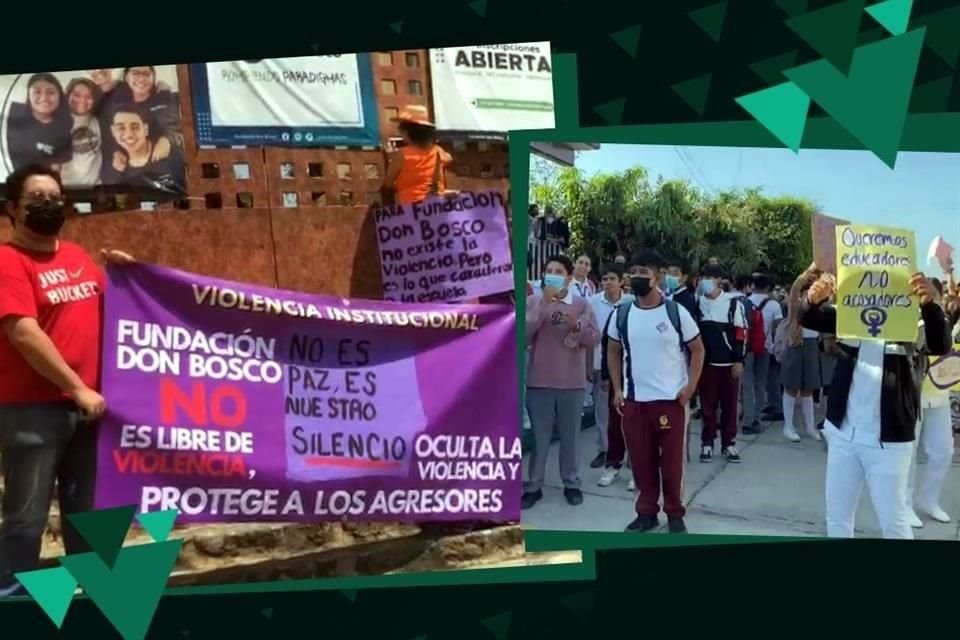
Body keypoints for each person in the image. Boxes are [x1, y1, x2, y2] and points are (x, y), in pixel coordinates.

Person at [0, 165, 136, 597]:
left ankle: (94, 599)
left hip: (89, 413)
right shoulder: (7, 262)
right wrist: (75, 385)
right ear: (12, 210)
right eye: (37, 199)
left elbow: (109, 313)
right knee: (26, 518)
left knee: (91, 516)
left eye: (55, 197)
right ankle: (10, 599)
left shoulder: (76, 256)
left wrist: (127, 278)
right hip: (32, 413)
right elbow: (23, 332)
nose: (49, 206)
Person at [796, 265, 950, 540]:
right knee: (838, 518)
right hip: (843, 435)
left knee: (893, 522)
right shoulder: (849, 316)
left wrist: (931, 306)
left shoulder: (911, 321)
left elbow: (940, 344)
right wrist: (812, 299)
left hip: (890, 442)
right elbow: (808, 318)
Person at [607, 249, 705, 533]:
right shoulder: (622, 313)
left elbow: (697, 349)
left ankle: (675, 514)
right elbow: (613, 350)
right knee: (640, 463)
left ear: (657, 276)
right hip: (635, 402)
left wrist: (689, 388)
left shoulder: (676, 312)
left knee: (672, 466)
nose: (636, 278)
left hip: (670, 402)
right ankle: (646, 513)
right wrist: (617, 388)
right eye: (633, 272)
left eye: (643, 273)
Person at [523, 255, 600, 510]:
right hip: (539, 381)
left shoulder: (581, 304)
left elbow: (592, 338)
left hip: (572, 383)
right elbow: (523, 335)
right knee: (540, 438)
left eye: (558, 271)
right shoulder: (533, 301)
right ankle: (533, 486)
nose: (552, 274)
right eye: (548, 270)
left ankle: (572, 484)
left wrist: (575, 326)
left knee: (570, 437)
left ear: (568, 277)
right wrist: (543, 307)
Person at [906, 279, 955, 527]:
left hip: (940, 395)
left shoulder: (946, 318)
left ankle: (929, 499)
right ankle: (904, 503)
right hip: (916, 394)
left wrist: (950, 272)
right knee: (908, 453)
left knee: (944, 451)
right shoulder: (914, 321)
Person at [696, 264, 747, 463]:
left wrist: (738, 360)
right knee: (707, 406)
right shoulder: (697, 303)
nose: (706, 281)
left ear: (719, 280)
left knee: (730, 406)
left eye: (710, 277)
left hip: (728, 365)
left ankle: (729, 444)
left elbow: (741, 333)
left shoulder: (733, 303)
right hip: (707, 364)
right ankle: (707, 443)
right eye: (703, 277)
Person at [588, 263, 625, 474]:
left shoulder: (630, 302)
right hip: (601, 363)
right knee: (603, 410)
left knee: (625, 411)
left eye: (612, 278)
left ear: (621, 281)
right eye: (604, 279)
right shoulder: (593, 303)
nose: (608, 282)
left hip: (626, 366)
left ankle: (625, 450)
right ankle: (604, 449)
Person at [100, 104, 183, 193]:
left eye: (135, 127)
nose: (129, 134)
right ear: (113, 131)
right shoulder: (113, 169)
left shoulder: (171, 155)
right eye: (121, 128)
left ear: (145, 129)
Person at [780, 276, 823, 443]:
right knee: (792, 386)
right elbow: (794, 289)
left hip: (812, 344)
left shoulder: (818, 305)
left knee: (808, 388)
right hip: (797, 343)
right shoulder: (796, 302)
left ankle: (810, 426)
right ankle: (788, 426)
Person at [383, 105, 455, 205]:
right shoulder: (437, 150)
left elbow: (388, 183)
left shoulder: (402, 154)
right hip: (435, 205)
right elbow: (448, 159)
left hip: (409, 205)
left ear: (406, 133)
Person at [5, 74, 73, 172]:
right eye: (37, 91)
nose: (44, 97)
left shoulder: (63, 129)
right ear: (29, 95)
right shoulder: (11, 112)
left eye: (51, 92)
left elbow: (55, 169)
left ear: (59, 97)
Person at [743, 274, 782, 434]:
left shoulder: (744, 302)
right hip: (765, 347)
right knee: (760, 384)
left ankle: (747, 419)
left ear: (753, 285)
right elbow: (778, 328)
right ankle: (756, 419)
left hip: (746, 348)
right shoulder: (774, 305)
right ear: (768, 287)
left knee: (747, 385)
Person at [59, 78, 104, 188]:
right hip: (64, 190)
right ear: (68, 95)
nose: (82, 100)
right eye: (77, 95)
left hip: (94, 190)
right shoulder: (55, 121)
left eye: (89, 96)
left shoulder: (98, 121)